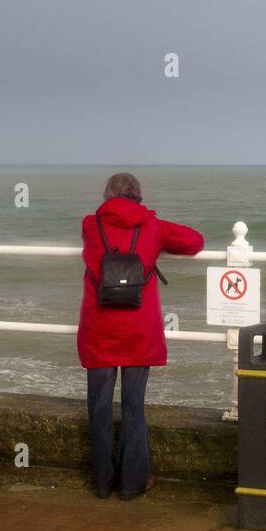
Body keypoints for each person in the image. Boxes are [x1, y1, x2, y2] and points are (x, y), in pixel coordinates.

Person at [77, 172, 204, 499]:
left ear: (107, 194)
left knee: (99, 407)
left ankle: (103, 483)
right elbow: (195, 241)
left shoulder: (91, 226)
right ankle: (133, 483)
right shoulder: (154, 227)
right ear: (138, 195)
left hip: (100, 330)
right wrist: (154, 233)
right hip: (138, 330)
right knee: (134, 408)